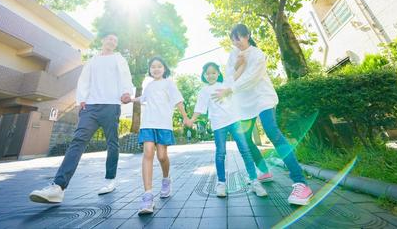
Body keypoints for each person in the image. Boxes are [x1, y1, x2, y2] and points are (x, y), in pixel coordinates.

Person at [214, 24, 314, 205]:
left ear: (248, 36)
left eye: (239, 38)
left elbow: (250, 79)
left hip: (262, 99)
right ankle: (264, 171)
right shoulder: (232, 54)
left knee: (272, 132)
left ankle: (301, 183)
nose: (236, 42)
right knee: (244, 139)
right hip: (243, 104)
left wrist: (229, 89)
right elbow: (229, 77)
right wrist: (236, 66)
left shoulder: (258, 55)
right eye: (233, 39)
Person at [29, 33, 133, 203]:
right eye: (110, 38)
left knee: (112, 143)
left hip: (111, 105)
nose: (112, 42)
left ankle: (110, 180)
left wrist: (126, 92)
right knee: (77, 141)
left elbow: (125, 77)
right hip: (90, 107)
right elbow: (84, 80)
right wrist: (81, 100)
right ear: (103, 40)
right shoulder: (92, 60)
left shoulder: (118, 58)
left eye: (116, 40)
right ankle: (58, 187)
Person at [189, 62, 268, 198]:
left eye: (213, 72)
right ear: (204, 75)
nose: (211, 75)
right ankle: (221, 183)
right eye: (208, 73)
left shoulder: (226, 84)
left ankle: (254, 181)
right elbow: (199, 108)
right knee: (220, 153)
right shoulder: (204, 91)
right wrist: (191, 120)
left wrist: (243, 61)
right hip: (218, 125)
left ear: (218, 73)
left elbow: (237, 74)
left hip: (234, 121)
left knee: (245, 150)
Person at [132, 56, 191, 215]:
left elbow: (178, 101)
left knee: (162, 156)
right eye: (153, 67)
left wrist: (185, 117)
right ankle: (148, 196)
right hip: (148, 124)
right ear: (150, 70)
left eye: (159, 66)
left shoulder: (169, 83)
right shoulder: (148, 86)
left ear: (164, 68)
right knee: (148, 152)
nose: (156, 69)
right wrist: (130, 99)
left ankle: (166, 179)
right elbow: (142, 99)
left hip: (163, 124)